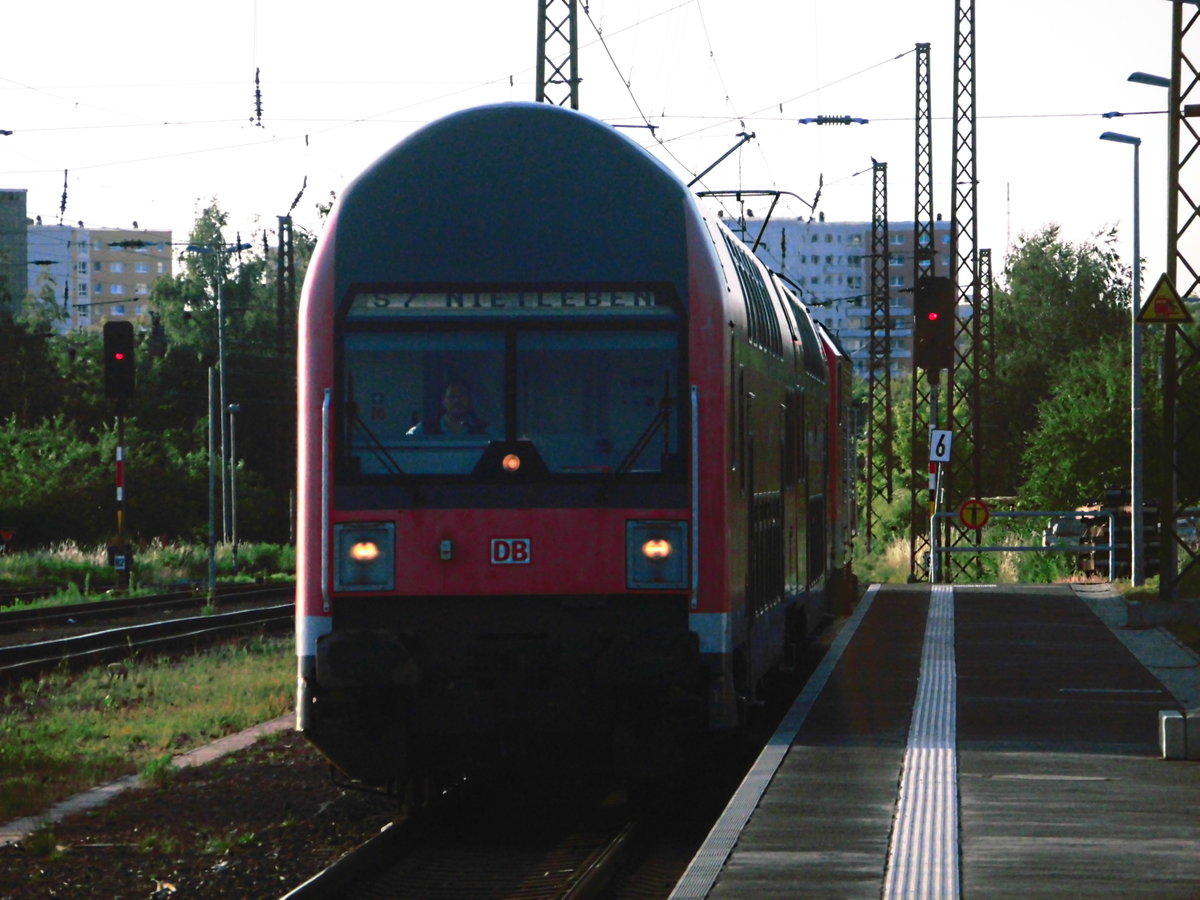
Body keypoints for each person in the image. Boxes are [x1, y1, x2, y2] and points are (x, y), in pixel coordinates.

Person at [406, 379, 489, 436]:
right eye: (452, 396)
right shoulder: (424, 429)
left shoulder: (485, 430)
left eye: (462, 396)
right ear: (443, 400)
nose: (457, 401)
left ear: (470, 399)